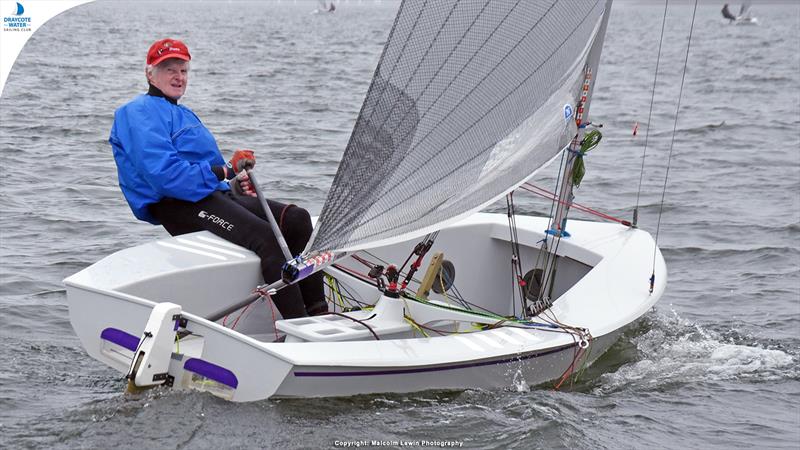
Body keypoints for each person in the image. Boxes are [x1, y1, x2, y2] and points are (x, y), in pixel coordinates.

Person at [108, 38, 327, 319]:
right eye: (169, 69)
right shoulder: (135, 112)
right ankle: (301, 324)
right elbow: (166, 176)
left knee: (297, 220)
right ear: (150, 73)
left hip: (208, 196)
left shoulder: (182, 112)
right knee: (266, 238)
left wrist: (232, 183)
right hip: (176, 204)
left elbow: (205, 172)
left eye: (183, 70)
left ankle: (320, 313)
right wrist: (225, 171)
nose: (178, 77)